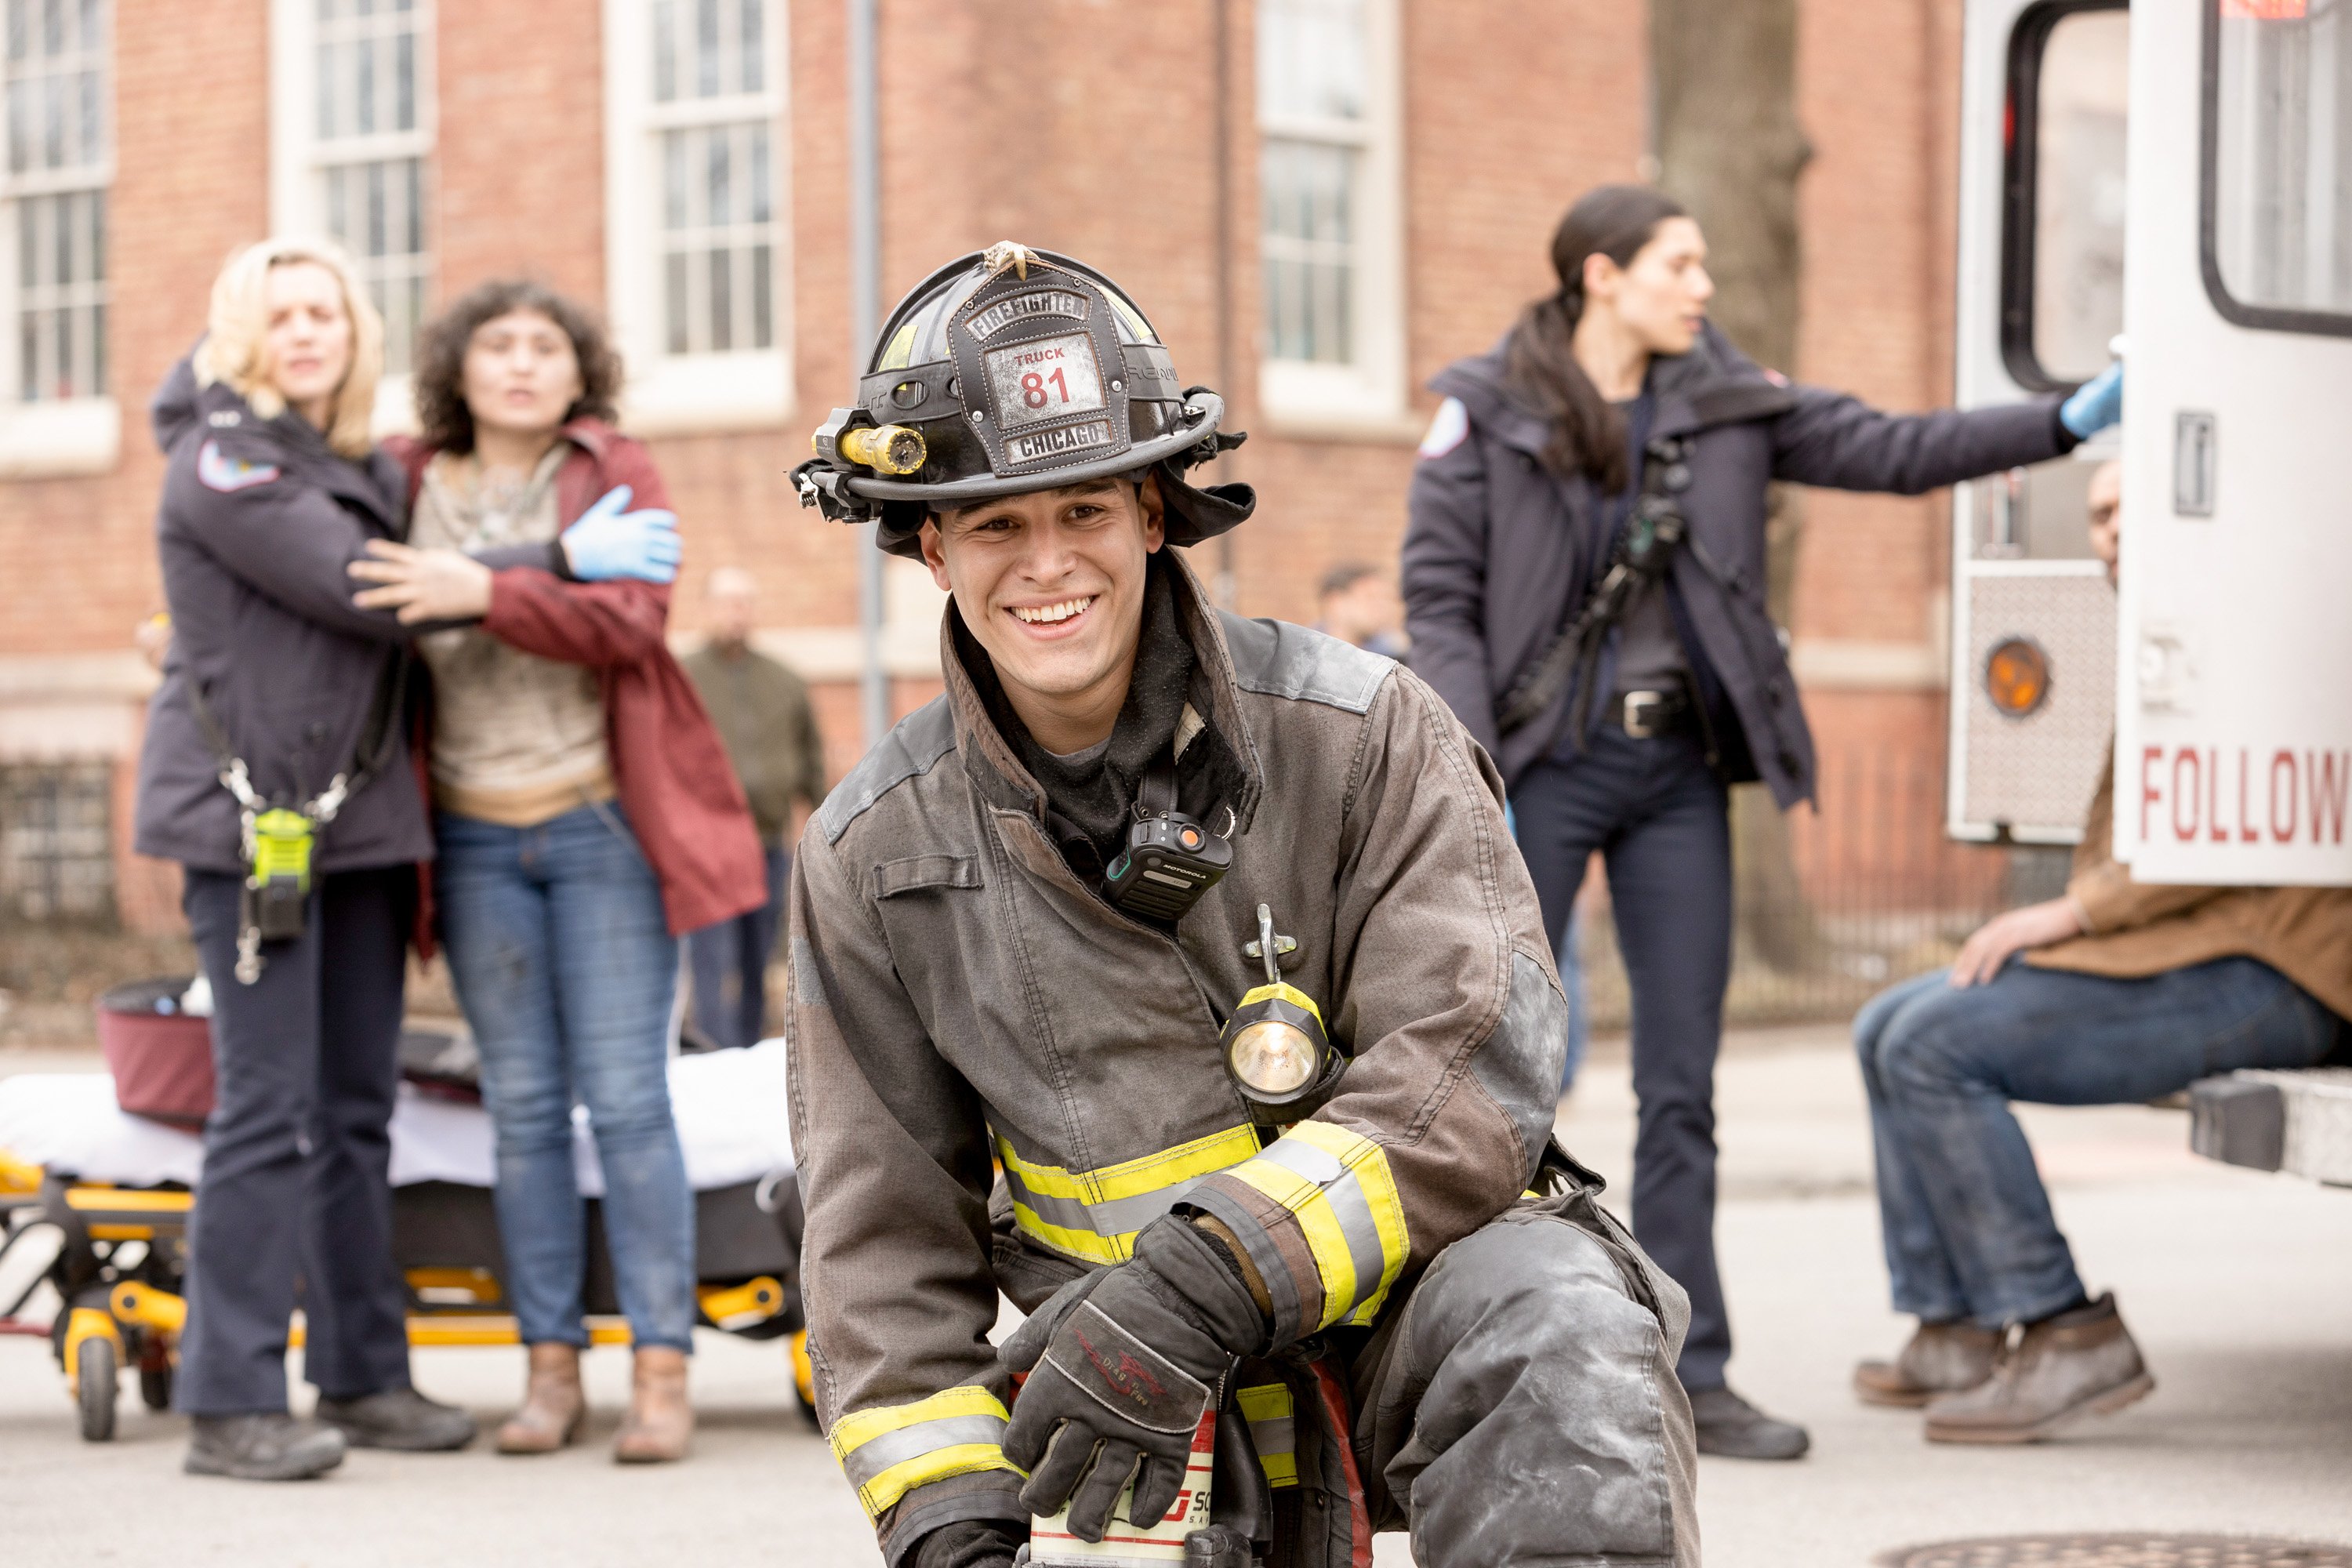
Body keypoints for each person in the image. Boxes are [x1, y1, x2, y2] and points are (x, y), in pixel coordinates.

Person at [787, 244, 1697, 1568]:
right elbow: (879, 1242)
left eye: (1084, 511)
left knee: (1558, 1318)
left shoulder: (1364, 733)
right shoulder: (874, 853)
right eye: (997, 524)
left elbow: (1472, 1075)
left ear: (1153, 515)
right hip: (1121, 1397)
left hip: (1401, 1321)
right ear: (931, 546)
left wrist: (1209, 1278)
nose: (1048, 565)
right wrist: (948, 1529)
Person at [1401, 184, 2125, 1460]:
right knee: (1493, 1073)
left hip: (1680, 772)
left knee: (1682, 1088)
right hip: (1541, 774)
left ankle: (1696, 1370)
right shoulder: (1487, 411)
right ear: (1601, 276)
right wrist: (1472, 770)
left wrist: (2065, 421)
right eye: (1681, 265)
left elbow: (1895, 451)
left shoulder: (1731, 404)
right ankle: (1485, 1367)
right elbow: (1440, 599)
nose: (1704, 287)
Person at [132, 238, 659, 1479]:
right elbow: (365, 586)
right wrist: (556, 559)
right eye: (283, 313)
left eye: (327, 311)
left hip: (362, 821)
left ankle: (362, 1373)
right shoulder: (224, 456)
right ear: (241, 331)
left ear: (355, 330)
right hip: (255, 822)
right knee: (264, 1111)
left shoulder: (357, 459)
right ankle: (229, 1399)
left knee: (355, 1115)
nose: (307, 331)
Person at [347, 279, 767, 1464]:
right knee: (523, 1113)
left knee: (630, 1102)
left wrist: (479, 590)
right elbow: (368, 600)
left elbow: (628, 622)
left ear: (580, 372)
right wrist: (538, 572)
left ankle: (661, 1370)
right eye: (499, 345)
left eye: (547, 346)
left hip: (600, 831)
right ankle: (546, 1372)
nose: (524, 364)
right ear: (458, 370)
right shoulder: (404, 473)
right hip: (472, 836)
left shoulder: (615, 467)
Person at [1849, 459, 2350, 1442]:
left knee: (1933, 1044)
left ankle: (2064, 1325)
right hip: (2201, 945)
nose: (2107, 534)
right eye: (2097, 516)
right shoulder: (2185, 631)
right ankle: (1955, 1322)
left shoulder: (2249, 635)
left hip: (2280, 966)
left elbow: (2229, 821)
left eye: (2128, 510)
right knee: (1884, 1024)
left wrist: (2068, 912)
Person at [679, 567, 828, 1051]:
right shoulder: (684, 678)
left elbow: (810, 759)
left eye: (743, 602)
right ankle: (709, 1051)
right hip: (706, 848)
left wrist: (824, 830)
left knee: (758, 956)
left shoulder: (783, 680)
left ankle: (743, 1052)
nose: (735, 613)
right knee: (711, 959)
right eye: (725, 602)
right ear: (708, 609)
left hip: (767, 843)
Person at [1312, 560, 1408, 658]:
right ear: (1335, 602)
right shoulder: (1305, 654)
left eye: (1386, 599)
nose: (1382, 607)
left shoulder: (1392, 656)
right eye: (1370, 597)